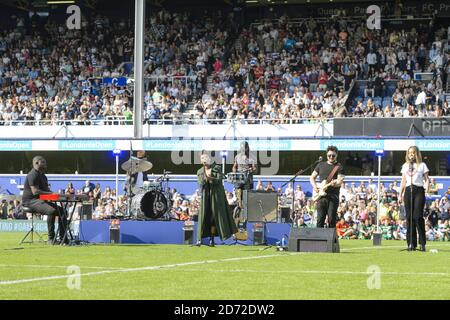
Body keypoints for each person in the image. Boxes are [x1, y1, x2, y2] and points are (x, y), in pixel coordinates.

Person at [21, 156, 68, 244]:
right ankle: (51, 238)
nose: (45, 164)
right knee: (51, 210)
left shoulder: (43, 176)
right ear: (37, 163)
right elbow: (35, 192)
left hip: (40, 201)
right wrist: (51, 194)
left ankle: (63, 238)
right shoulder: (32, 174)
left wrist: (57, 195)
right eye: (43, 162)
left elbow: (47, 191)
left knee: (63, 211)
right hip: (30, 201)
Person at [196, 153, 237, 246]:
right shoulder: (199, 171)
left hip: (216, 197)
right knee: (204, 217)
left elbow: (219, 179)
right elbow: (201, 182)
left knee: (214, 218)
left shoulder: (216, 168)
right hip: (206, 197)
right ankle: (199, 239)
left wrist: (211, 178)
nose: (204, 159)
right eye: (202, 158)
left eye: (205, 157)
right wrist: (206, 178)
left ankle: (212, 238)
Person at [399, 146, 429, 251]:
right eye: (410, 152)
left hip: (419, 190)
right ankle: (411, 243)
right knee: (409, 217)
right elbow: (403, 181)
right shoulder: (405, 166)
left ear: (417, 153)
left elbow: (427, 179)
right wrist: (400, 194)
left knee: (418, 216)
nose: (411, 154)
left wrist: (427, 187)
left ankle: (422, 243)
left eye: (413, 152)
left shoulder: (422, 165)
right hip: (408, 190)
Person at [310, 146, 345, 228]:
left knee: (331, 220)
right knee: (320, 220)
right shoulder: (320, 165)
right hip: (321, 197)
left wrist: (334, 184)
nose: (331, 157)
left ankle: (332, 240)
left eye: (333, 155)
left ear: (336, 155)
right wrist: (315, 186)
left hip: (333, 197)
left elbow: (339, 181)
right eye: (329, 155)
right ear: (326, 155)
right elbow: (312, 177)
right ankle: (318, 240)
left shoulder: (339, 167)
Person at [232, 141, 257, 220]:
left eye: (245, 149)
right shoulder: (237, 156)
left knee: (246, 196)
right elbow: (234, 166)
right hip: (239, 178)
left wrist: (251, 169)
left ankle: (247, 212)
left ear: (247, 148)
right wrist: (234, 171)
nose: (244, 150)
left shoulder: (252, 157)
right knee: (238, 192)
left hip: (248, 178)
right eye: (242, 149)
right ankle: (239, 208)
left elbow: (255, 168)